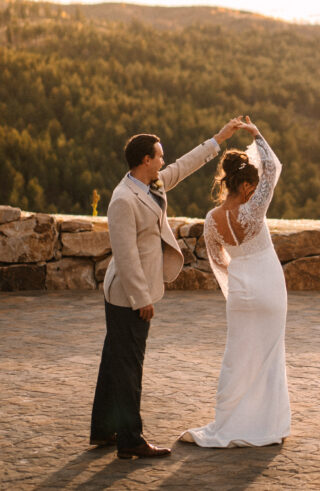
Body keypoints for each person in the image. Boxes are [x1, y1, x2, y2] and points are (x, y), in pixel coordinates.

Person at [90, 118, 244, 459]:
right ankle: (130, 440)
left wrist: (219, 139)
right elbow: (126, 255)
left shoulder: (152, 184)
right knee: (129, 365)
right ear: (145, 160)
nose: (163, 161)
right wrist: (141, 299)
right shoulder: (122, 200)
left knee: (115, 359)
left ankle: (104, 429)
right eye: (158, 156)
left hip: (133, 289)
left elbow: (185, 165)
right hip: (126, 294)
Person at [181, 116, 290, 447]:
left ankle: (230, 421)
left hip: (241, 293)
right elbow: (272, 167)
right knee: (270, 356)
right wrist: (256, 134)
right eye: (253, 188)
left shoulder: (211, 221)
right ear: (245, 187)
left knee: (237, 358)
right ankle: (267, 425)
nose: (257, 191)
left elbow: (217, 261)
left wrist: (237, 285)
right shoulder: (254, 211)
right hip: (269, 286)